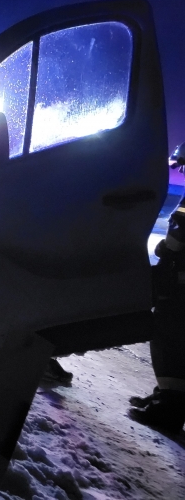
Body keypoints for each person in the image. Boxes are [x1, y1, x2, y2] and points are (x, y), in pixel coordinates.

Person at [129, 143, 185, 432]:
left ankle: (170, 408)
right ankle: (167, 396)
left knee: (169, 334)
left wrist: (166, 247)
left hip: (180, 279)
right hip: (179, 275)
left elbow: (180, 231)